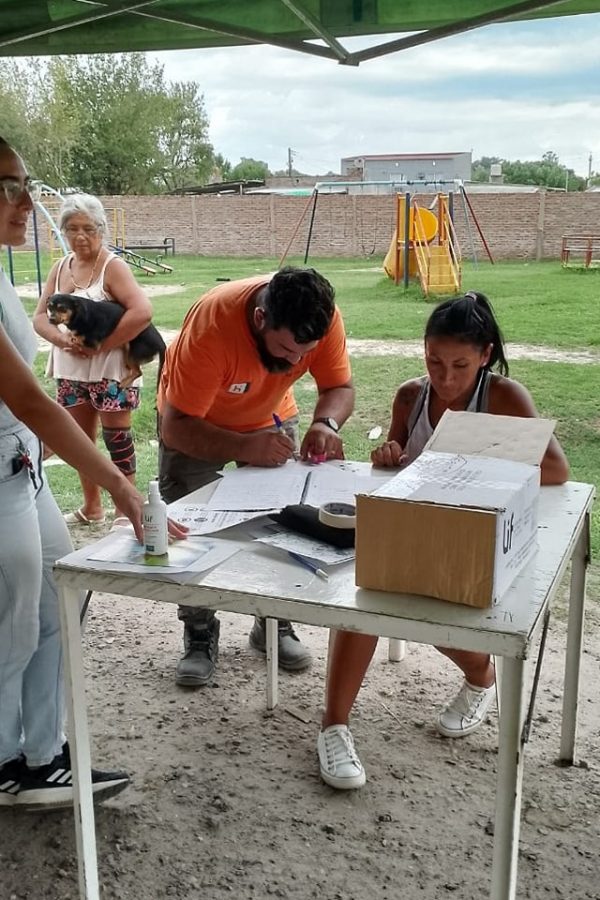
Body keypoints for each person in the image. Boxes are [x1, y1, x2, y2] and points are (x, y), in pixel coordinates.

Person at [317, 291, 569, 790]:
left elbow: (557, 470)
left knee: (440, 612)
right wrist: (387, 456)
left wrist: (469, 468)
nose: (445, 378)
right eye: (434, 361)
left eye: (460, 365)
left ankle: (481, 677)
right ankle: (334, 723)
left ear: (485, 357)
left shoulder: (504, 397)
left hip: (476, 531)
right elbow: (397, 456)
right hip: (414, 525)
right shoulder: (412, 396)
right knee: (365, 597)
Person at [0, 135, 145, 809]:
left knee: (59, 598)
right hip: (2, 476)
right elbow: (28, 396)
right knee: (11, 622)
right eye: (8, 187)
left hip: (21, 469)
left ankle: (42, 755)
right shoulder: (43, 272)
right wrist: (120, 488)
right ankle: (7, 762)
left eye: (24, 184)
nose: (28, 202)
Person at [158, 266, 355, 686]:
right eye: (286, 350)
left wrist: (327, 424)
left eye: (305, 354)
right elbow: (175, 427)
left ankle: (273, 622)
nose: (295, 364)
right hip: (196, 422)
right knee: (191, 529)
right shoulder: (212, 327)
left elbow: (339, 387)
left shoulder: (322, 317)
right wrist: (243, 447)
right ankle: (199, 629)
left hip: (270, 418)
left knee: (283, 526)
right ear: (261, 319)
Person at [33, 193, 153, 526]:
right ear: (63, 231)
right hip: (71, 370)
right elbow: (41, 316)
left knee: (117, 439)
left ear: (101, 230)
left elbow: (142, 312)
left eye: (88, 228)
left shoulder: (112, 266)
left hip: (110, 368)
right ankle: (92, 507)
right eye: (72, 228)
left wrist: (101, 346)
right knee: (78, 440)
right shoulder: (60, 268)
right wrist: (61, 339)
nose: (80, 236)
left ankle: (124, 511)